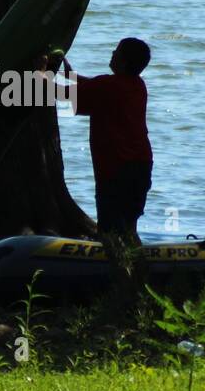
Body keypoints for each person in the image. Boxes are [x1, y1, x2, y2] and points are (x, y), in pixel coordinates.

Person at [60, 38, 153, 244]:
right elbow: (96, 86)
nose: (112, 53)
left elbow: (60, 93)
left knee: (109, 230)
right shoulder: (138, 85)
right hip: (141, 166)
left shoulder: (108, 85)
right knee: (128, 227)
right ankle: (139, 268)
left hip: (115, 169)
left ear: (123, 61)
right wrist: (71, 75)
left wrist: (39, 72)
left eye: (117, 51)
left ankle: (113, 270)